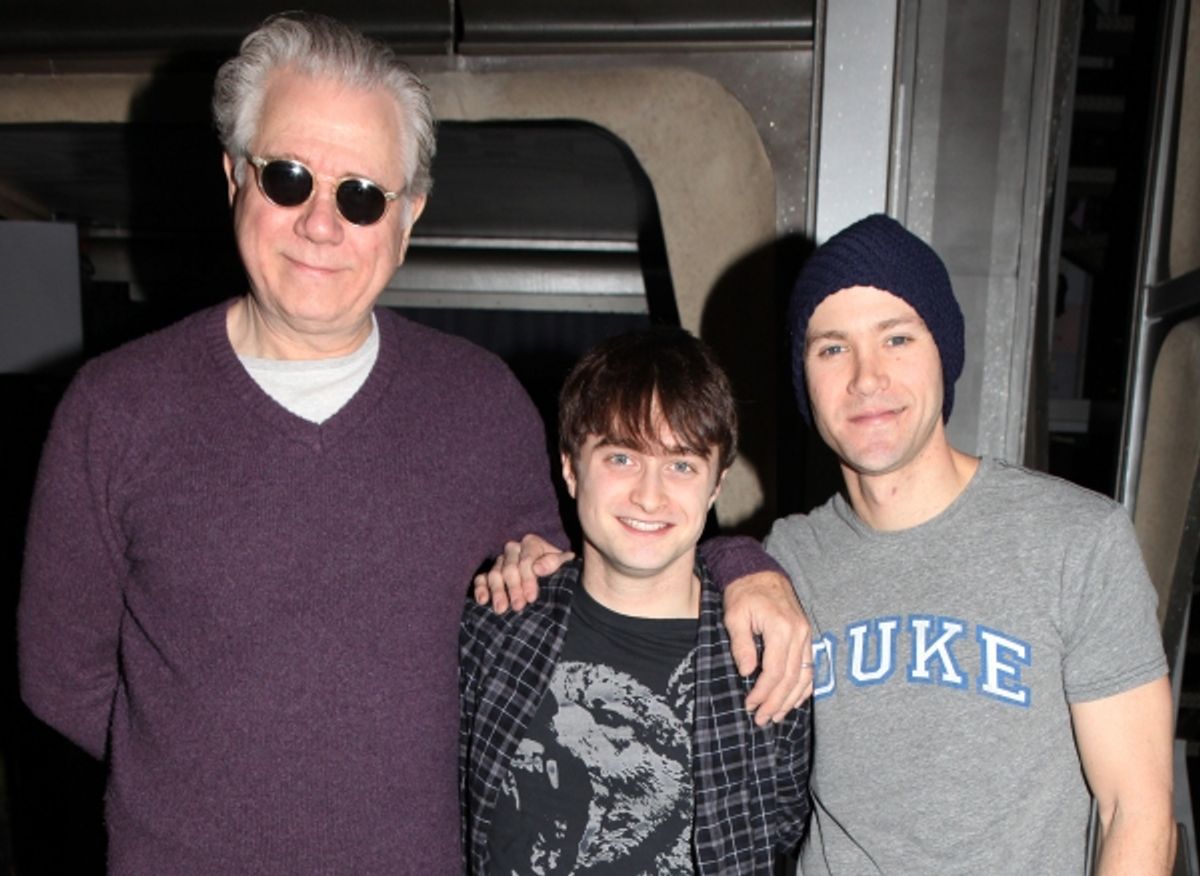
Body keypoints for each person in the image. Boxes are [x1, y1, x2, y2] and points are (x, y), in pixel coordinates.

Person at [16, 12, 806, 873]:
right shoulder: (115, 407)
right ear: (234, 176)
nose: (323, 223)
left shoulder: (481, 407)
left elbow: (607, 578)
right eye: (289, 178)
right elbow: (62, 678)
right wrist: (206, 781)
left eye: (362, 195)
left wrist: (742, 565)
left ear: (410, 216)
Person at [765, 213, 1174, 873]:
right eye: (832, 348)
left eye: (896, 338)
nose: (867, 377)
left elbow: (1137, 810)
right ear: (804, 382)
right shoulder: (785, 560)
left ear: (943, 355)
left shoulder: (1076, 540)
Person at [460, 329, 811, 874]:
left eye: (681, 465)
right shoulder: (498, 626)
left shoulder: (767, 658)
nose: (650, 495)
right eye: (621, 458)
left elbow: (791, 831)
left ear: (716, 486)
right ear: (571, 469)